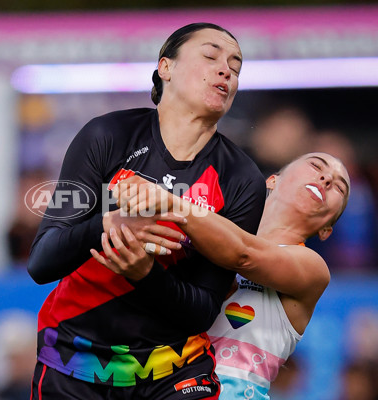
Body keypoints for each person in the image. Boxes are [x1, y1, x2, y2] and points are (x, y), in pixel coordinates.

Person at [27, 23, 266, 399]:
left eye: (235, 67)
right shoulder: (106, 136)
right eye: (210, 56)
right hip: (73, 362)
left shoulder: (241, 178)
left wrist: (145, 274)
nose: (226, 70)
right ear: (165, 68)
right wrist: (108, 223)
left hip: (175, 372)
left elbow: (203, 309)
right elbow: (42, 261)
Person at [102, 152, 350, 399]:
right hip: (157, 386)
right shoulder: (202, 228)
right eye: (316, 165)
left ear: (326, 230)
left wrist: (170, 203)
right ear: (272, 181)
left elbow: (242, 254)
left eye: (339, 187)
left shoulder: (312, 268)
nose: (326, 178)